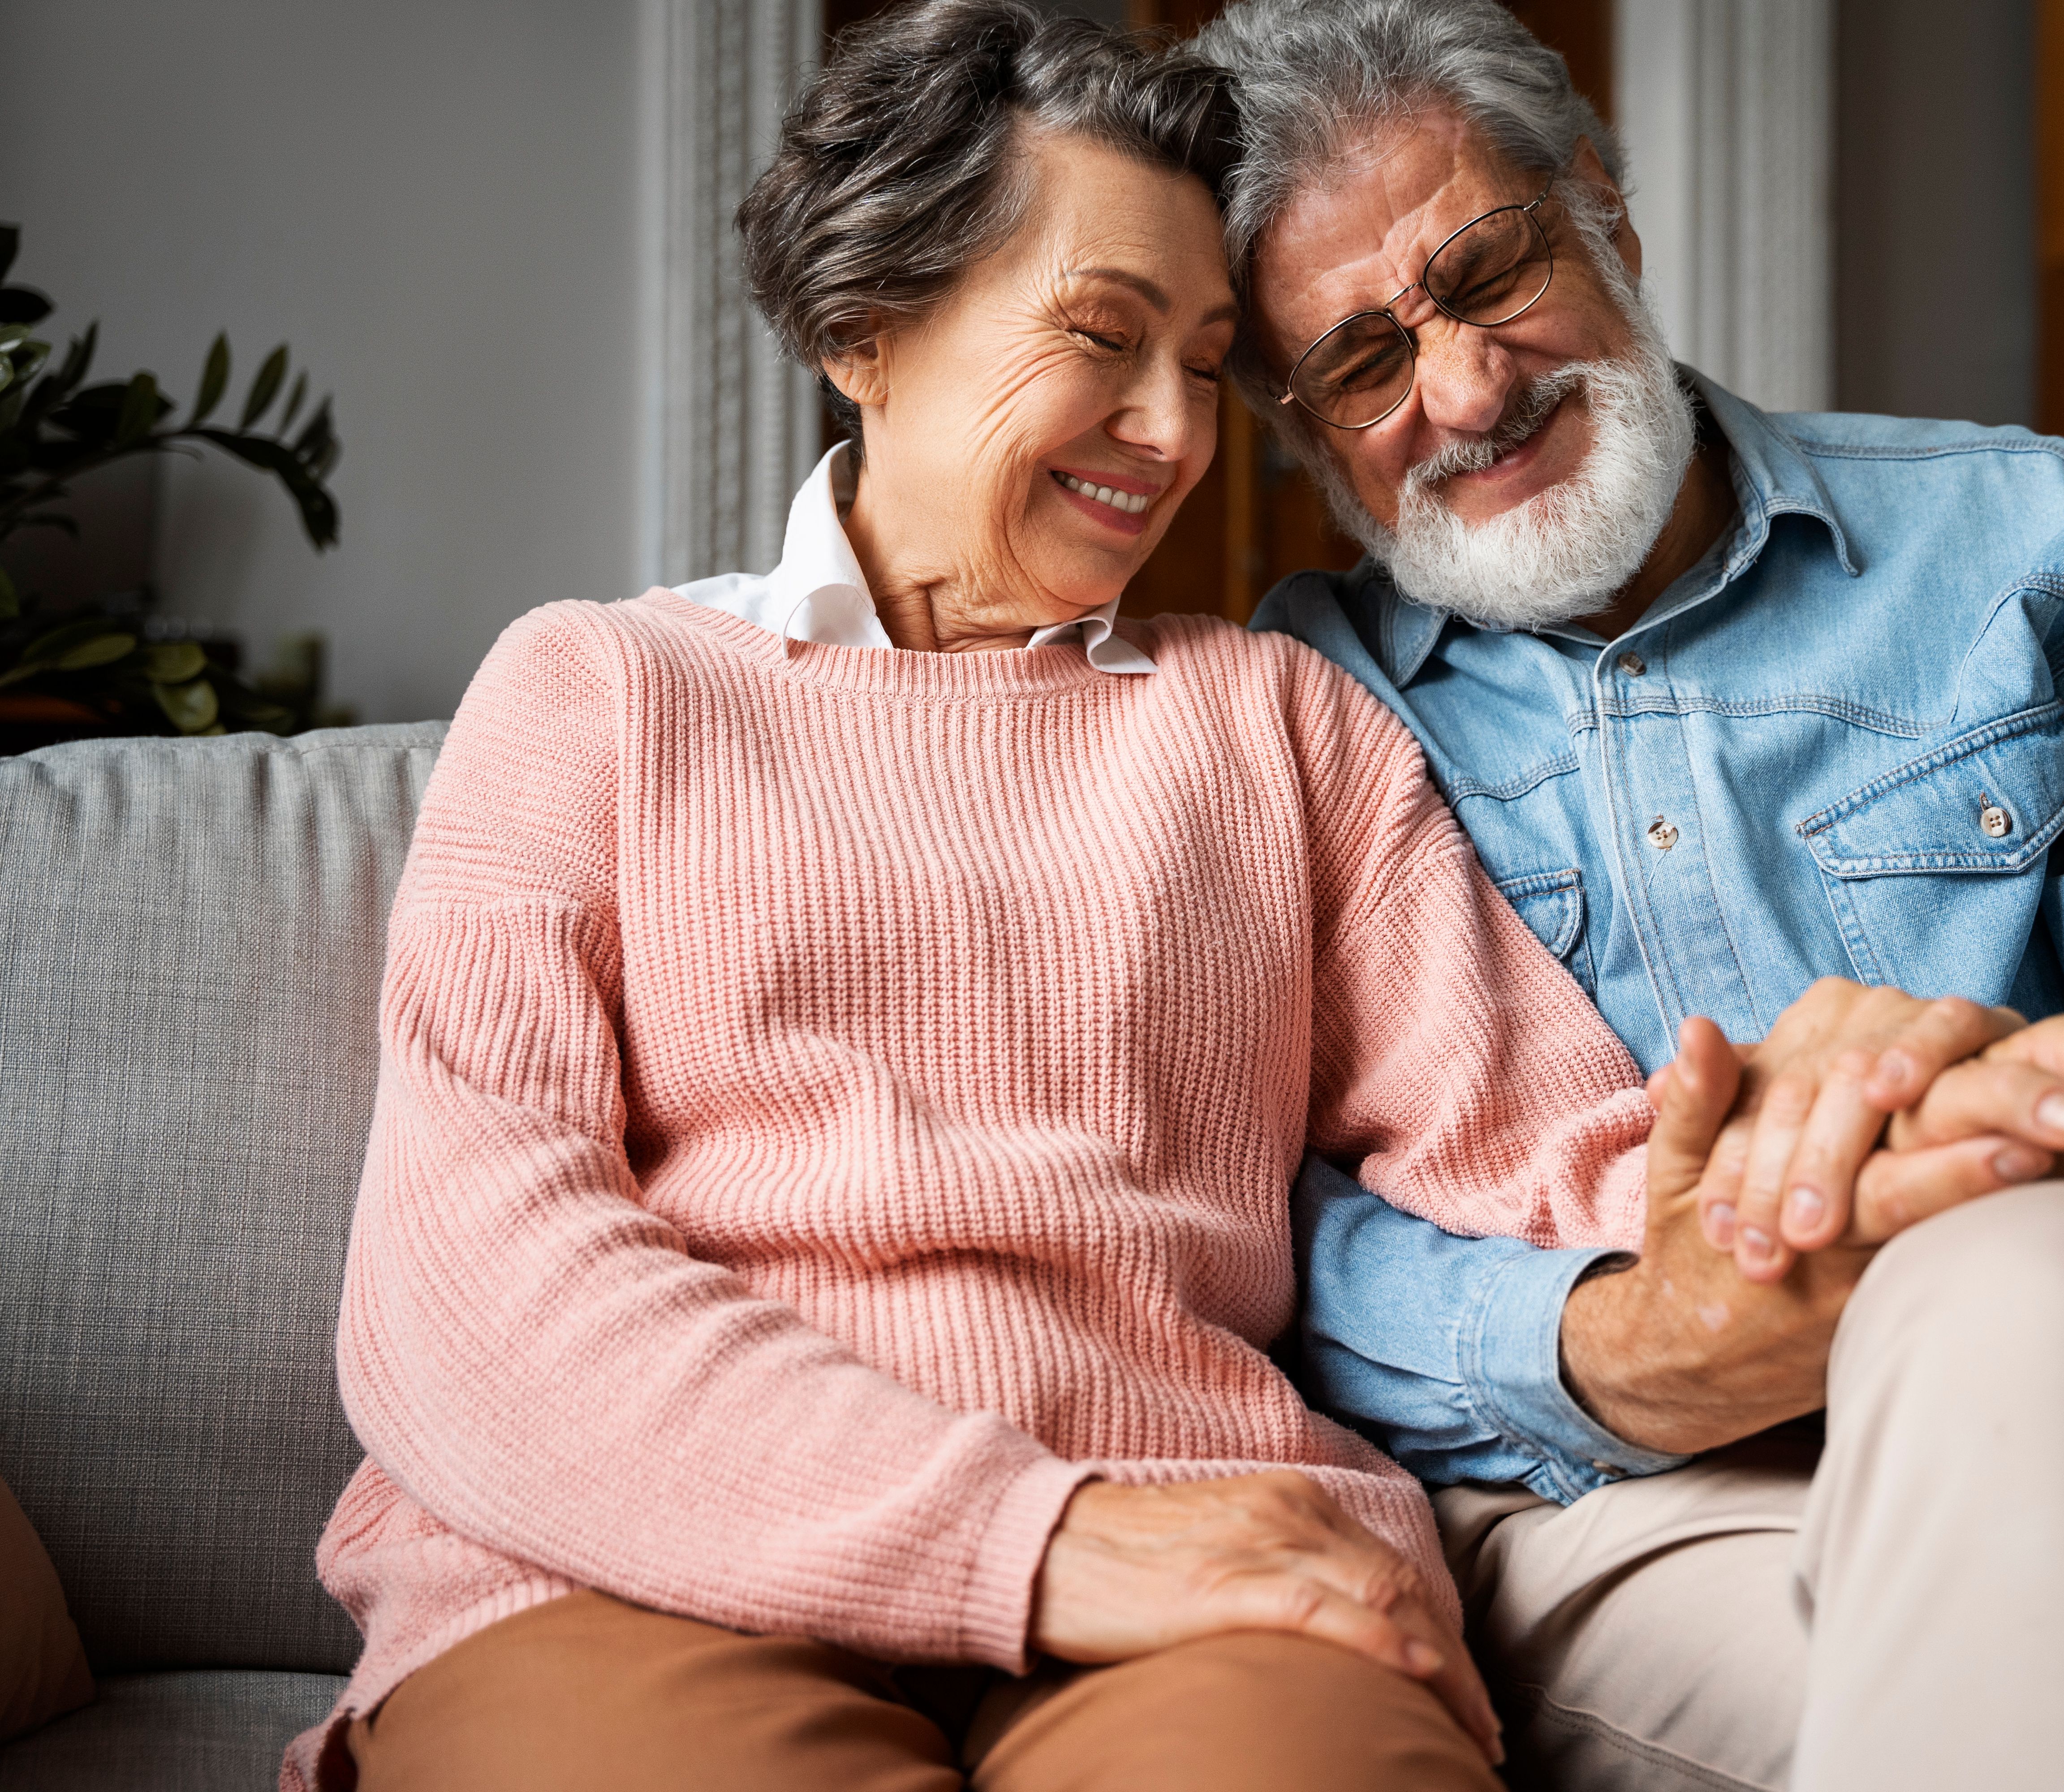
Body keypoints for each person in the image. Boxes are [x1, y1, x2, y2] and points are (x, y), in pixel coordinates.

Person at [276, 7, 1908, 1788]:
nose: (1167, 431)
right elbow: (471, 1284)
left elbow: (1540, 1151)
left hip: (1217, 1548)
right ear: (863, 331)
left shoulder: (1276, 719)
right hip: (634, 1569)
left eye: (1205, 361)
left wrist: (1834, 1179)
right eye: (1101, 339)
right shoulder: (598, 690)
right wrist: (1036, 1537)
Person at [1194, 2, 2064, 1788]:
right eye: (1361, 362)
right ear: (1295, 422)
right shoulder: (1282, 716)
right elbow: (1237, 1228)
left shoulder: (2056, 541)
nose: (1467, 388)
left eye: (1491, 267)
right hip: (1643, 1498)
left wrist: (2006, 1138)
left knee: (2016, 1285)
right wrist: (1608, 1348)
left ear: (1604, 214)